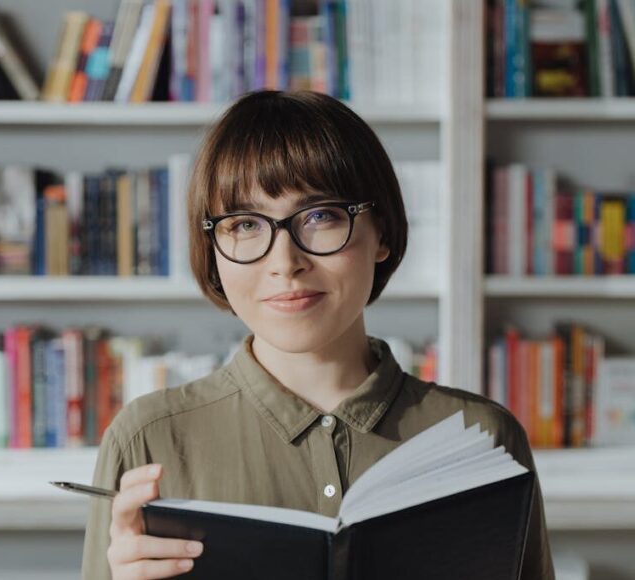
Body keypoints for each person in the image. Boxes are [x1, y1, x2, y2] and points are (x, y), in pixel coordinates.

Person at [81, 90, 555, 580]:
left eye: (321, 216)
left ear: (382, 233)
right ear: (214, 251)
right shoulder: (147, 439)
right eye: (245, 223)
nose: (285, 263)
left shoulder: (484, 438)